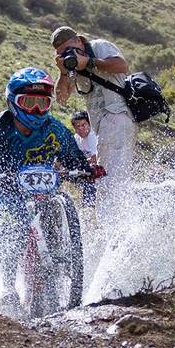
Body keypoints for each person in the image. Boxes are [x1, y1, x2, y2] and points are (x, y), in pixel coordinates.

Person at [0, 67, 100, 316]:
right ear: (13, 102)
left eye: (43, 103)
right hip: (1, 192)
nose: (36, 110)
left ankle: (54, 273)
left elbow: (74, 160)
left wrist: (88, 173)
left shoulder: (55, 129)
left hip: (43, 193)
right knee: (12, 226)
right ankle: (8, 288)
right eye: (28, 102)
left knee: (51, 215)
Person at [51, 26, 136, 226]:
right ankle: (123, 223)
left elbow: (122, 66)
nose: (69, 54)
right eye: (63, 53)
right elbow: (61, 98)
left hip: (117, 116)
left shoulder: (99, 47)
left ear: (80, 41)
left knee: (108, 177)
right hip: (103, 126)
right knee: (113, 176)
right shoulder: (72, 69)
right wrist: (63, 73)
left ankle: (111, 227)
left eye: (70, 49)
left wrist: (88, 62)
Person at [71, 110, 98, 207]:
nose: (81, 129)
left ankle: (89, 207)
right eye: (78, 126)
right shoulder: (76, 138)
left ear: (89, 124)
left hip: (98, 170)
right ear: (74, 128)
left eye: (84, 125)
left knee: (90, 178)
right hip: (84, 169)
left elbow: (94, 158)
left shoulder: (92, 136)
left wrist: (77, 163)